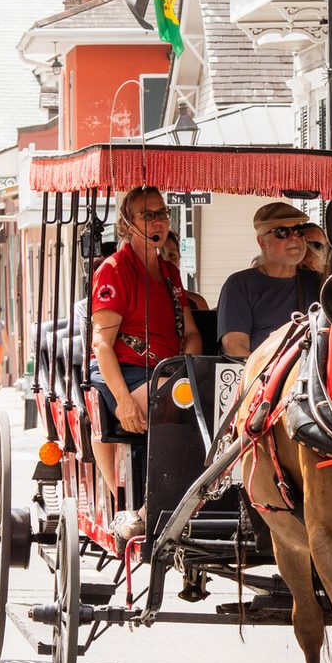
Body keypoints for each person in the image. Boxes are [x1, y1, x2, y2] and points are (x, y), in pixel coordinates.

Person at [89, 185, 201, 540]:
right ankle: (146, 510)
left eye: (163, 213)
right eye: (148, 214)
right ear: (126, 224)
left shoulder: (169, 272)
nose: (159, 221)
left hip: (169, 372)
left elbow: (192, 333)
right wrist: (123, 401)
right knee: (181, 414)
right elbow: (102, 344)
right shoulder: (113, 270)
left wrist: (195, 370)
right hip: (125, 371)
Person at [216, 202, 320, 359]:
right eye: (282, 232)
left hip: (312, 376)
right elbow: (235, 346)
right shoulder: (240, 285)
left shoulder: (318, 282)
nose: (293, 237)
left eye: (299, 231)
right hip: (263, 379)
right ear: (262, 242)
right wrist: (269, 380)